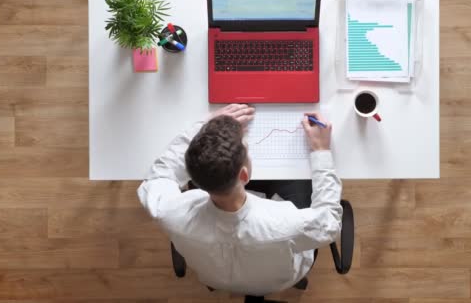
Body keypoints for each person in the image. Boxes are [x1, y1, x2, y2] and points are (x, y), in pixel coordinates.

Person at [137, 104, 342, 296]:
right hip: (281, 278)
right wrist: (321, 151)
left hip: (216, 278)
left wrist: (205, 129)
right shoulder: (286, 222)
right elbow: (330, 222)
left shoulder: (171, 213)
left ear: (194, 180)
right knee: (301, 181)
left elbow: (159, 176)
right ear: (244, 175)